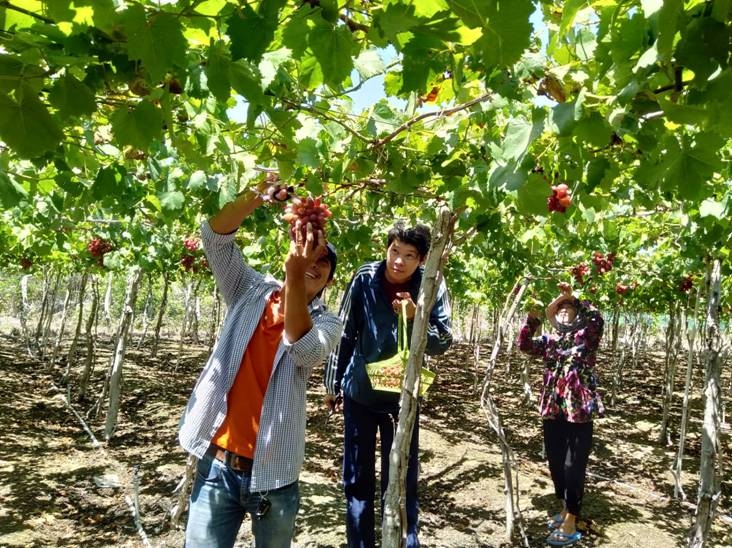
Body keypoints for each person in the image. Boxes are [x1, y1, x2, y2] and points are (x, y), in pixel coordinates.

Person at [178, 179, 343, 548]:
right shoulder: (249, 289)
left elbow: (304, 349)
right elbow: (214, 237)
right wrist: (259, 193)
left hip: (275, 476)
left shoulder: (329, 323)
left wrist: (294, 275)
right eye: (307, 255)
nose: (312, 265)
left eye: (322, 263)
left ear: (330, 280)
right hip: (217, 467)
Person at [324, 222, 453, 548]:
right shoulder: (365, 278)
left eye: (409, 255)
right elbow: (345, 332)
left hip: (403, 399)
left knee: (402, 481)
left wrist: (416, 316)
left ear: (422, 259)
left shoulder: (432, 284)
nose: (399, 260)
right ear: (387, 248)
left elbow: (444, 340)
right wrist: (332, 383)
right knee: (357, 480)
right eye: (395, 250)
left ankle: (404, 542)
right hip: (360, 395)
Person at [518, 282, 604, 547]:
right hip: (554, 407)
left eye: (569, 310)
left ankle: (572, 518)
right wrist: (532, 318)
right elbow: (524, 345)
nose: (564, 312)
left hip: (578, 409)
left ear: (577, 315)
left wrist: (573, 296)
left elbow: (597, 320)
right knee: (555, 462)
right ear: (553, 316)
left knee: (573, 464)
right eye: (559, 310)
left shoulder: (586, 338)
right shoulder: (550, 341)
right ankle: (564, 507)